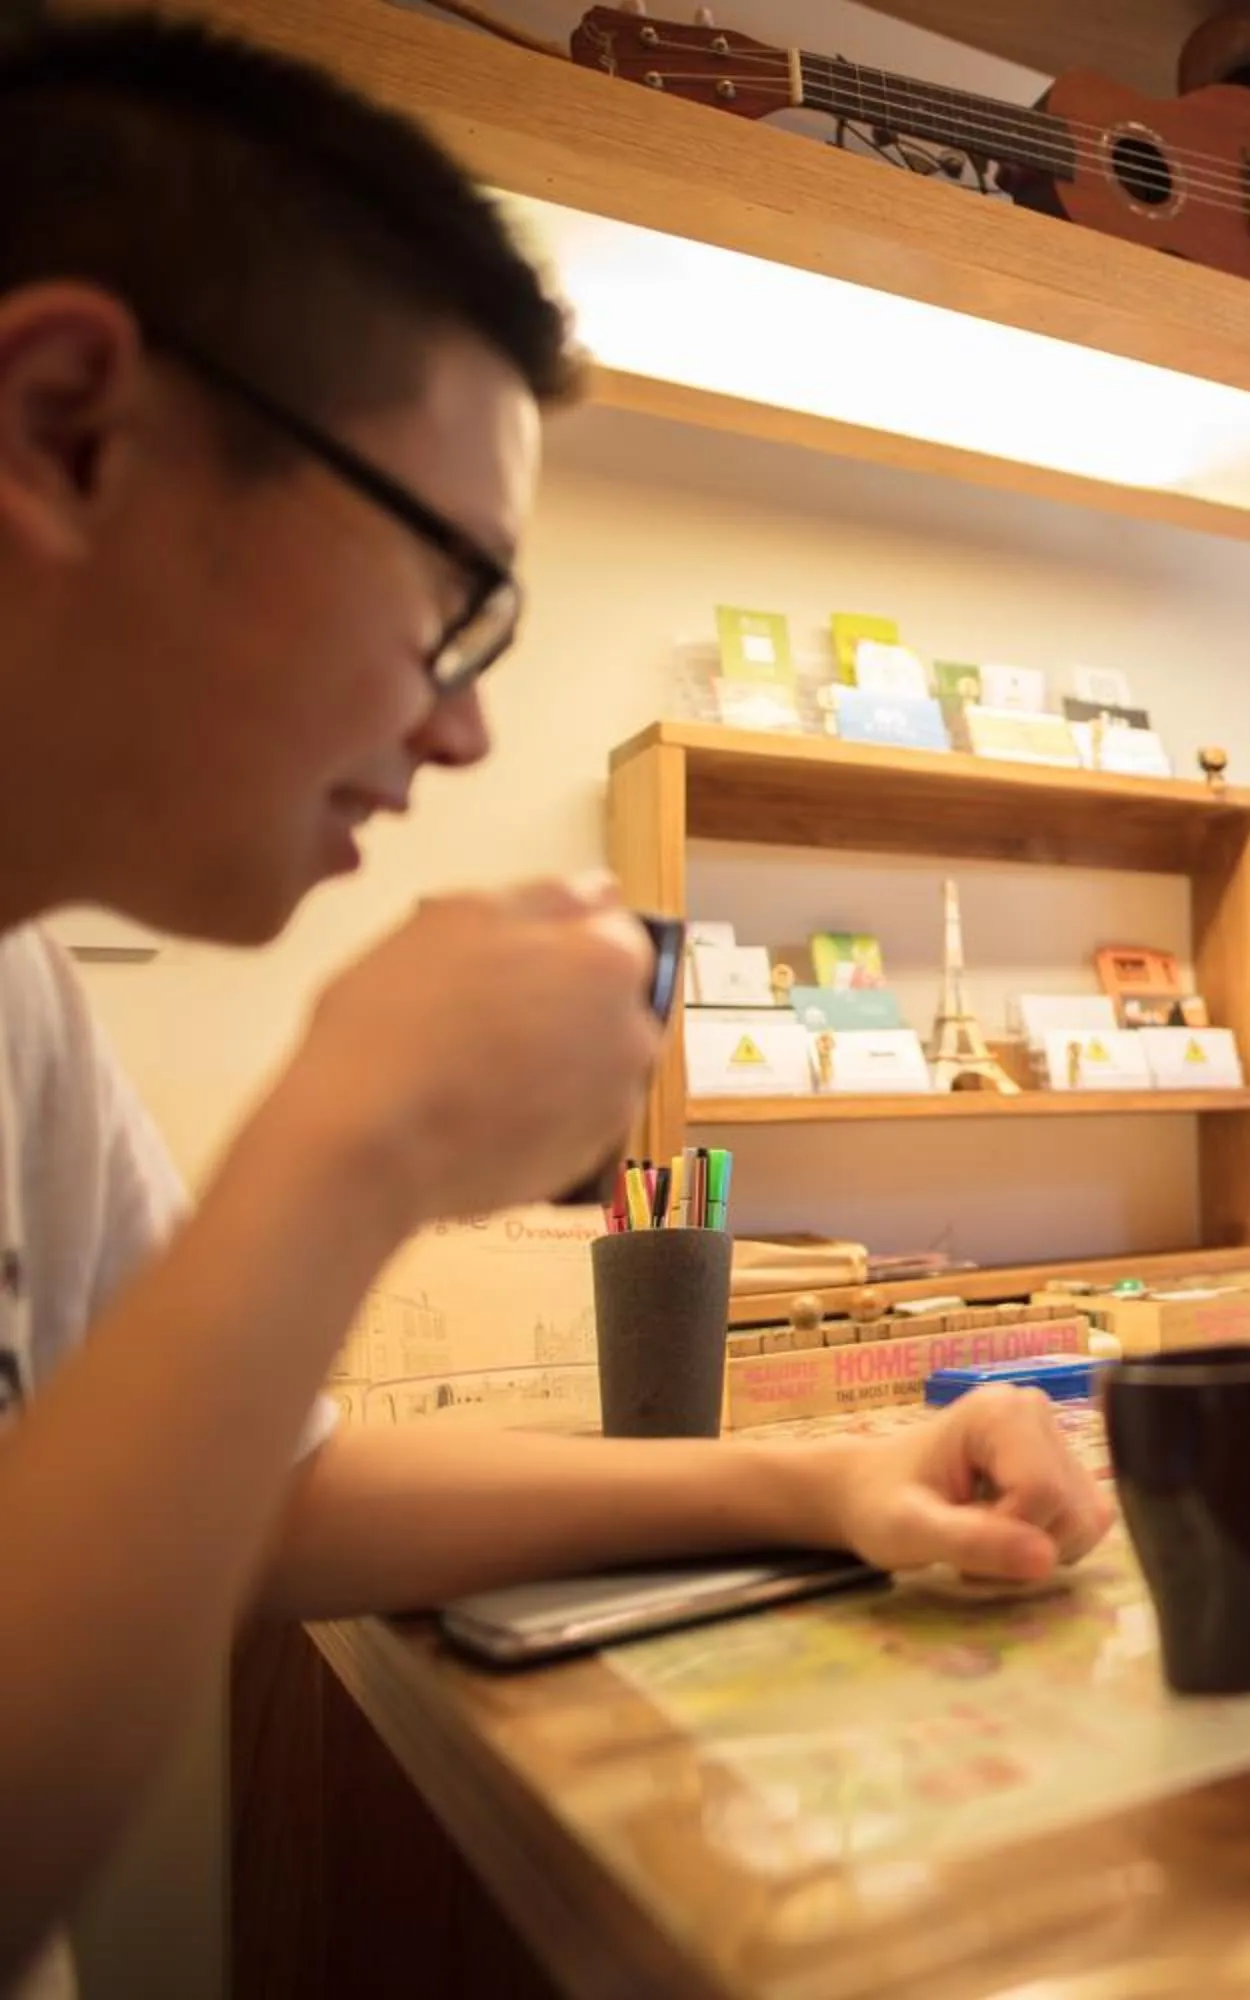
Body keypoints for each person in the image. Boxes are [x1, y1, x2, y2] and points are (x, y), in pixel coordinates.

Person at [0, 18, 1108, 1984]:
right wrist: (353, 1143)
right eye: (454, 595)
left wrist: (819, 1476)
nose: (464, 727)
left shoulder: (23, 997)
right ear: (71, 428)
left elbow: (268, 1496)